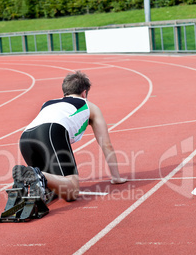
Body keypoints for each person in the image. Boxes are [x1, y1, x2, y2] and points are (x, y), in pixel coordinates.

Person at [13, 71, 126, 201]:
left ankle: (34, 175)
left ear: (65, 91)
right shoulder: (89, 106)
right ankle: (37, 175)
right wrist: (116, 177)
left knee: (54, 188)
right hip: (51, 131)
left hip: (26, 137)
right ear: (84, 93)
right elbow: (106, 144)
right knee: (72, 191)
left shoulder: (48, 103)